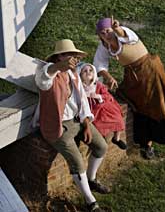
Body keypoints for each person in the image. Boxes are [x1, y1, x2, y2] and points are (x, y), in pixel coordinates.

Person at [93, 17, 165, 159]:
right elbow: (99, 64)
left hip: (151, 72)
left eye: (108, 31)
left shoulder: (125, 34)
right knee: (138, 105)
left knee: (156, 104)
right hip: (133, 78)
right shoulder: (104, 46)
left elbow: (124, 35)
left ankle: (158, 138)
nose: (106, 35)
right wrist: (108, 77)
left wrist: (117, 29)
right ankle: (145, 143)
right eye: (102, 33)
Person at [34, 39, 110, 212]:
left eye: (74, 55)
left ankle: (91, 180)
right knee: (77, 162)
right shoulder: (48, 71)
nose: (73, 58)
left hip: (78, 121)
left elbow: (82, 100)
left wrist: (87, 124)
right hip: (58, 125)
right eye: (68, 55)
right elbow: (43, 79)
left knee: (101, 147)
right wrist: (58, 66)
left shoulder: (74, 73)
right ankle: (91, 202)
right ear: (59, 57)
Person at [78, 62, 127, 150]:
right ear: (80, 75)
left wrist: (98, 96)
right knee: (98, 124)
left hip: (105, 106)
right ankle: (101, 139)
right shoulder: (80, 88)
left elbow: (107, 96)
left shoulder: (98, 85)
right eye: (84, 71)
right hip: (93, 110)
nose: (88, 72)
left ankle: (116, 138)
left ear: (94, 74)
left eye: (90, 70)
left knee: (118, 119)